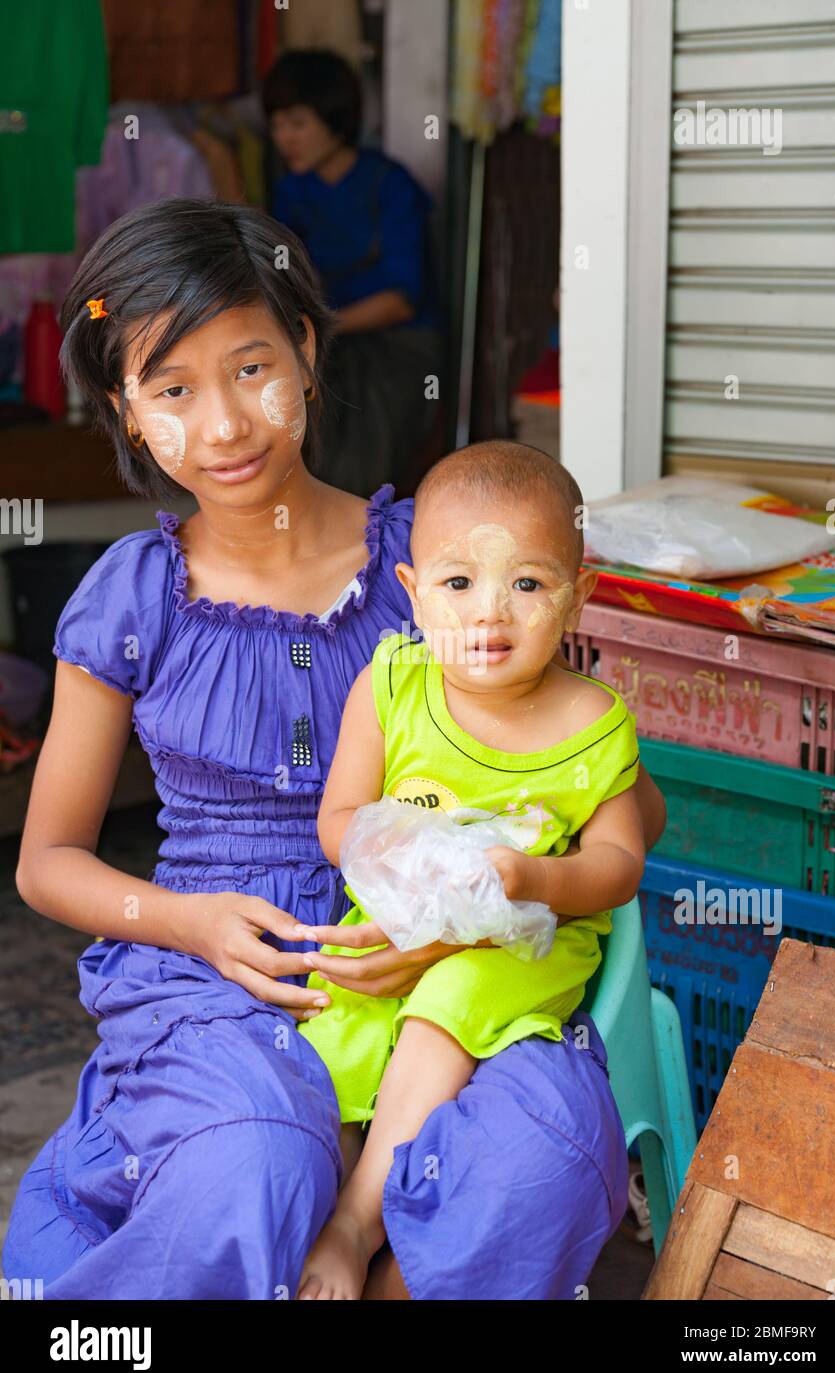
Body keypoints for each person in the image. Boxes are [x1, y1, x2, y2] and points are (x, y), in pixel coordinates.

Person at [2, 196, 666, 1301]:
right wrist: (194, 922)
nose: (223, 425)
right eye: (171, 390)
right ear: (126, 409)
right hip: (220, 965)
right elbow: (47, 861)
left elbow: (624, 810)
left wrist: (465, 902)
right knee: (254, 1161)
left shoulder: (440, 564)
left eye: (251, 367)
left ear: (307, 352)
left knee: (534, 1158)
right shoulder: (134, 594)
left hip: (452, 949)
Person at [295, 444, 646, 1299]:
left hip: (520, 943)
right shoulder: (392, 687)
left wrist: (535, 881)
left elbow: (619, 862)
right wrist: (403, 859)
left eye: (526, 584)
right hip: (401, 919)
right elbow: (337, 822)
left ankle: (358, 1229)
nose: (489, 613)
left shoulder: (595, 722)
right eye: (458, 585)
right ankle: (315, 1227)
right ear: (412, 592)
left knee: (447, 1005)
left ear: (579, 595)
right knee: (331, 1032)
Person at [264, 49, 443, 497]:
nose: (285, 138)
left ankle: (353, 529)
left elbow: (401, 301)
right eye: (278, 125)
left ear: (336, 119)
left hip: (396, 347)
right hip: (326, 342)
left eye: (298, 123)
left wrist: (320, 329)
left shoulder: (391, 185)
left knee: (352, 453)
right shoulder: (291, 192)